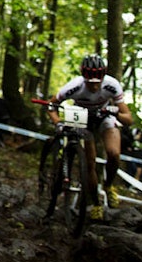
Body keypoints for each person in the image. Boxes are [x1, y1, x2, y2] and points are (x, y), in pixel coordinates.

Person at [45, 54, 133, 219]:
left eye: (98, 82)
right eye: (90, 82)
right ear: (84, 78)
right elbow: (51, 105)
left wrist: (116, 112)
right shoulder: (74, 86)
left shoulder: (112, 85)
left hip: (104, 117)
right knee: (89, 163)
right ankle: (96, 203)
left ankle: (108, 186)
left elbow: (128, 119)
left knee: (114, 153)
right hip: (83, 120)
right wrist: (57, 122)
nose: (94, 86)